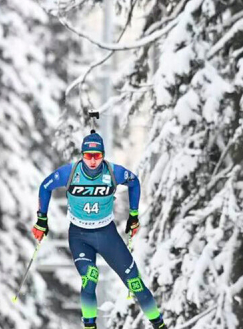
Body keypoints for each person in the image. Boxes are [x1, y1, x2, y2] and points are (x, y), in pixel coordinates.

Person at [31, 131, 167, 329]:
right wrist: (41, 220)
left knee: (135, 283)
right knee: (90, 276)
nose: (93, 161)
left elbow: (134, 181)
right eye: (88, 156)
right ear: (82, 155)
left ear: (103, 155)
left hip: (107, 234)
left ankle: (160, 325)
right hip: (80, 236)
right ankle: (89, 326)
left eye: (97, 156)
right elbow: (45, 186)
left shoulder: (112, 172)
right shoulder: (70, 172)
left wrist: (134, 215)